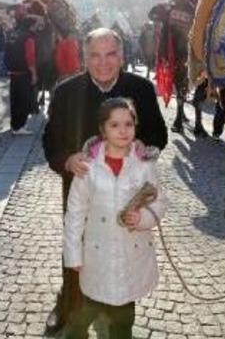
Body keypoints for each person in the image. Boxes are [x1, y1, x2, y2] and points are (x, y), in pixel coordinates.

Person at [42, 28, 167, 336]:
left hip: (127, 193)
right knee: (77, 249)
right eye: (95, 56)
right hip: (81, 189)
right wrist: (67, 161)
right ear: (84, 58)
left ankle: (119, 313)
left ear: (122, 56)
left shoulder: (141, 88)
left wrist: (143, 145)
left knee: (122, 251)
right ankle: (69, 305)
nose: (103, 63)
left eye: (110, 54)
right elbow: (50, 141)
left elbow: (158, 135)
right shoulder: (66, 91)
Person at [62, 98, 168, 339]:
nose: (122, 131)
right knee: (82, 317)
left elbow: (160, 201)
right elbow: (75, 214)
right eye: (114, 125)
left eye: (128, 124)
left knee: (123, 321)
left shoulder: (144, 166)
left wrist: (142, 218)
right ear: (102, 129)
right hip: (96, 258)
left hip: (130, 255)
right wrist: (73, 255)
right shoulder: (87, 167)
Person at [5, 16, 37, 134]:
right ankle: (19, 126)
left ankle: (14, 125)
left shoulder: (14, 34)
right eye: (35, 26)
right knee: (23, 100)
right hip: (24, 73)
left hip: (13, 72)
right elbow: (30, 57)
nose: (36, 28)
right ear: (30, 26)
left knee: (15, 100)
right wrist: (34, 73)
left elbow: (6, 52)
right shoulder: (29, 38)